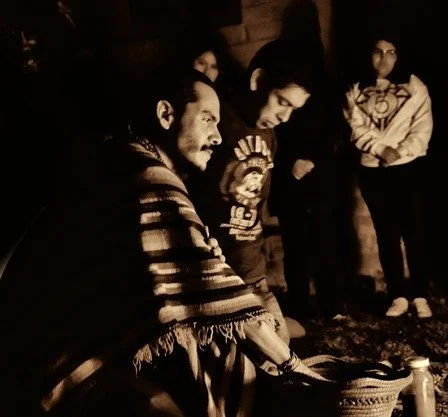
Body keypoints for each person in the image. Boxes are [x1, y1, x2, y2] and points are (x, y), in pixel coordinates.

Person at [0, 68, 316, 417]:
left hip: (29, 345)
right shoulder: (148, 178)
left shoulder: (120, 158)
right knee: (212, 376)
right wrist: (296, 370)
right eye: (208, 120)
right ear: (166, 114)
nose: (217, 137)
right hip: (50, 360)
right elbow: (223, 301)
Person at [185, 39, 314, 344]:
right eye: (282, 102)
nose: (285, 117)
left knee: (284, 338)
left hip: (252, 271)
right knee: (255, 352)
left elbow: (256, 201)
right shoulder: (219, 122)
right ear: (258, 80)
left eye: (294, 109)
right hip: (216, 272)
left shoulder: (269, 134)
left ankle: (280, 324)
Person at [343, 31, 434, 318]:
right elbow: (355, 127)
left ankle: (420, 295)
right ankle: (398, 296)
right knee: (387, 234)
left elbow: (423, 127)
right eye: (378, 51)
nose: (384, 58)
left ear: (399, 56)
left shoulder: (414, 85)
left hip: (409, 167)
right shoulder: (356, 89)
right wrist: (381, 150)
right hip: (373, 170)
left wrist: (400, 152)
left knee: (415, 231)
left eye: (391, 52)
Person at [268, 2, 349, 321]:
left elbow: (336, 125)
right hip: (289, 171)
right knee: (295, 242)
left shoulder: (323, 74)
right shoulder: (279, 67)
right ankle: (300, 306)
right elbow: (273, 125)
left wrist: (313, 159)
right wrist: (290, 162)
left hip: (319, 171)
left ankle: (331, 304)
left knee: (324, 238)